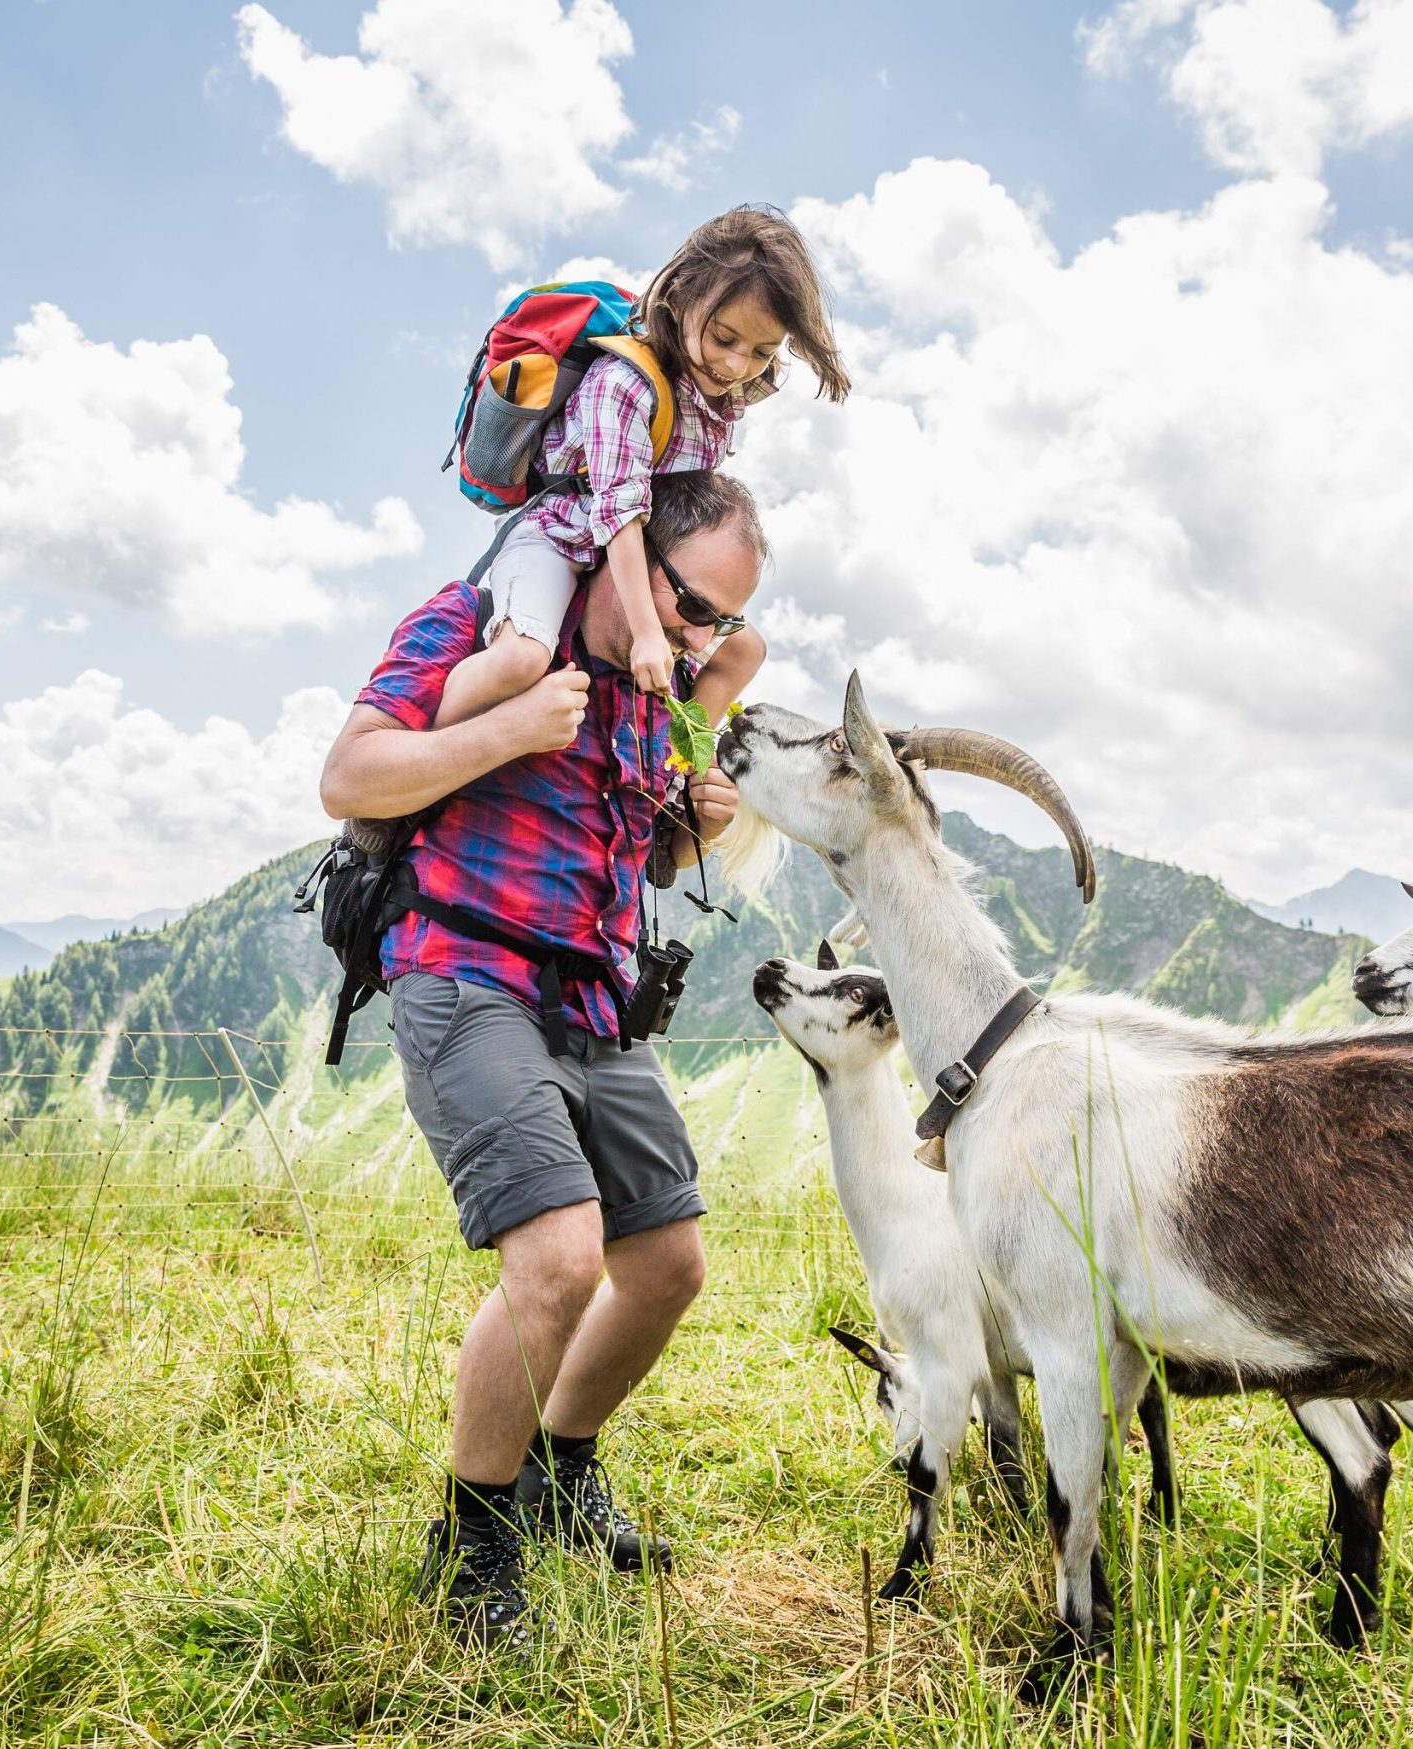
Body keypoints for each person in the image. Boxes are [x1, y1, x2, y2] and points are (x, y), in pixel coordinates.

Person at [315, 471, 766, 1648]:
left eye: (719, 620)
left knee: (665, 1263)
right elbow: (348, 778)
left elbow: (640, 853)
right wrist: (508, 724)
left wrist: (689, 826)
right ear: (628, 557)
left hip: (592, 1000)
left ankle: (560, 1473)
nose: (697, 634)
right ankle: (472, 1547)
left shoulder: (652, 692)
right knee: (560, 1261)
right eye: (689, 603)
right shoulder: (484, 626)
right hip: (462, 969)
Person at [432, 206, 845, 732]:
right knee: (522, 658)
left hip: (644, 551)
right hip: (565, 533)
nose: (737, 365)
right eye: (723, 338)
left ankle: (679, 774)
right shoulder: (621, 382)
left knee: (745, 652)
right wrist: (648, 633)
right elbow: (619, 511)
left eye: (761, 352)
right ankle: (426, 762)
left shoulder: (720, 398)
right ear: (680, 301)